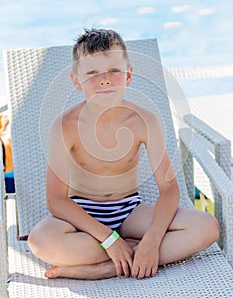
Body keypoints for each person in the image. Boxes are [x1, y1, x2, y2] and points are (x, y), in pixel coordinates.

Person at [28, 28, 220, 280]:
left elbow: (169, 188)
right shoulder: (65, 125)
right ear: (77, 81)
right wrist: (109, 239)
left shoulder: (144, 121)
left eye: (113, 70)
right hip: (82, 216)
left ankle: (108, 267)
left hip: (129, 211)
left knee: (207, 227)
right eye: (92, 72)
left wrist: (151, 240)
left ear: (128, 76)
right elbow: (56, 200)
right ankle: (128, 255)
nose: (104, 79)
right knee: (40, 241)